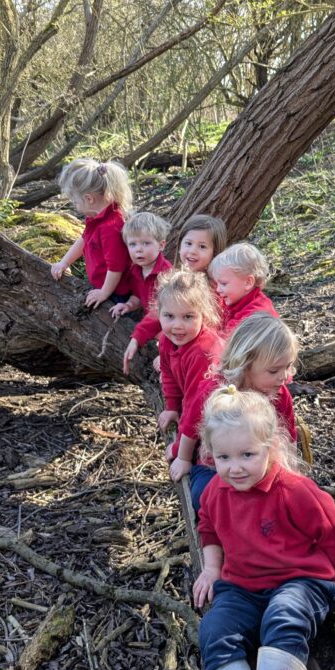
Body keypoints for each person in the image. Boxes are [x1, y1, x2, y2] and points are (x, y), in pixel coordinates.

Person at [194, 387, 335, 670]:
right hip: (243, 585)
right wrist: (212, 568)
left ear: (271, 448)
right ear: (211, 455)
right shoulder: (216, 491)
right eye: (224, 457)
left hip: (300, 580)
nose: (235, 467)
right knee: (215, 628)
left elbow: (333, 532)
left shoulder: (294, 491)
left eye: (247, 455)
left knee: (283, 617)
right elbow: (208, 527)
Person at [188, 313, 299, 511]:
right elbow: (190, 424)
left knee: (283, 501)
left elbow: (289, 437)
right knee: (203, 495)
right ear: (245, 365)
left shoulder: (279, 394)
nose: (284, 377)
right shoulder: (216, 389)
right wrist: (181, 458)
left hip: (261, 466)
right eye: (273, 371)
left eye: (288, 367)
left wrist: (292, 473)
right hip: (217, 467)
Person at [122, 214, 227, 374]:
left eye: (202, 247)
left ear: (215, 252)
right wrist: (137, 338)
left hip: (206, 357)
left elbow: (208, 329)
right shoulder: (179, 279)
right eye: (188, 243)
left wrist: (171, 355)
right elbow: (158, 312)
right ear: (180, 245)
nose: (192, 251)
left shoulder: (217, 286)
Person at [156, 269, 222, 483]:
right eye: (169, 316)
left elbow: (197, 406)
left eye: (188, 317)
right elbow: (168, 373)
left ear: (203, 314)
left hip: (221, 412)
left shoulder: (203, 351)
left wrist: (182, 454)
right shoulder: (168, 339)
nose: (177, 325)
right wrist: (171, 406)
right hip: (197, 406)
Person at [51, 159, 132, 308]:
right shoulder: (96, 217)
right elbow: (84, 240)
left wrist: (104, 293)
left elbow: (116, 267)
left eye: (75, 201)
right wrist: (64, 262)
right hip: (101, 285)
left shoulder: (111, 227)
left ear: (89, 198)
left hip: (117, 293)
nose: (74, 205)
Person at [110, 212, 172, 321]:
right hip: (151, 322)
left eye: (146, 243)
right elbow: (138, 296)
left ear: (161, 245)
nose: (138, 249)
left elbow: (171, 308)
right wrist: (128, 305)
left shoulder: (166, 273)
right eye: (132, 244)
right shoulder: (135, 270)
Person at [208, 242, 277, 335]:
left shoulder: (254, 316)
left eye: (223, 284)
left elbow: (225, 343)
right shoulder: (237, 301)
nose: (218, 289)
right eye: (217, 283)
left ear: (248, 282)